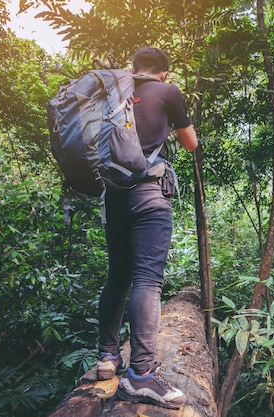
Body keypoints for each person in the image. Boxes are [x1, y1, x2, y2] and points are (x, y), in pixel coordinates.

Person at [95, 46, 198, 409]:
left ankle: (108, 358)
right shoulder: (168, 92)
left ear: (134, 68)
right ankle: (141, 376)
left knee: (117, 276)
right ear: (164, 73)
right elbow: (191, 143)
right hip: (148, 196)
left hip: (112, 196)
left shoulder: (113, 93)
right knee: (147, 279)